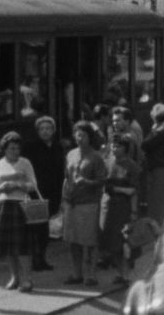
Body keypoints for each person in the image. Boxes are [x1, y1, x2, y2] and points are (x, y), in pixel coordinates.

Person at [62, 121, 108, 287]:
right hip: (71, 202)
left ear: (90, 137)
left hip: (88, 204)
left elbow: (103, 180)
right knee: (72, 240)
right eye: (78, 135)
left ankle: (91, 275)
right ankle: (77, 273)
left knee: (89, 240)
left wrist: (87, 182)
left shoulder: (96, 157)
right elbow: (66, 178)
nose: (80, 138)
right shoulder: (70, 154)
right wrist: (63, 199)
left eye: (84, 135)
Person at [0, 132, 36, 293]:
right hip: (4, 205)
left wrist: (19, 185)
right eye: (11, 148)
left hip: (21, 205)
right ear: (4, 149)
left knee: (22, 245)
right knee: (9, 246)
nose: (15, 151)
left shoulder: (25, 163)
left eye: (17, 148)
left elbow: (33, 185)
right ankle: (14, 277)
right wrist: (2, 188)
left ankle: (27, 279)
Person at [23, 116, 64, 272]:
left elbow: (60, 171)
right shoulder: (31, 148)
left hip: (53, 192)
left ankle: (42, 258)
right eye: (42, 129)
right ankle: (36, 259)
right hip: (37, 192)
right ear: (38, 131)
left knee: (45, 227)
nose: (45, 131)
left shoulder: (58, 147)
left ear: (53, 130)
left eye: (48, 128)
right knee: (37, 227)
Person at [101, 134, 140, 285]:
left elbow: (135, 191)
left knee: (125, 240)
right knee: (113, 241)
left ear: (125, 148)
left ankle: (126, 273)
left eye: (118, 146)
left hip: (125, 206)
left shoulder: (132, 166)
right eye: (113, 146)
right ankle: (119, 272)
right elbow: (105, 185)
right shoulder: (109, 163)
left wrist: (134, 211)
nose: (114, 149)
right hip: (111, 205)